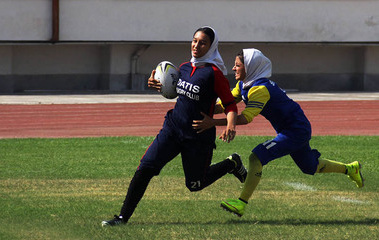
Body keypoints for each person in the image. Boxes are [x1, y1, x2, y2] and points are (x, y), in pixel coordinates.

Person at [101, 26, 247, 226]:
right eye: (194, 40)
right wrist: (158, 85)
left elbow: (230, 105)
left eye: (202, 42)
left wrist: (230, 125)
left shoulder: (215, 74)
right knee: (145, 168)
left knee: (195, 184)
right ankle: (122, 218)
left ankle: (232, 163)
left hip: (197, 136)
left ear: (211, 46)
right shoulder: (185, 67)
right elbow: (178, 91)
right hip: (173, 128)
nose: (196, 45)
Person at [192, 48, 364, 217]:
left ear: (250, 67)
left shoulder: (259, 89)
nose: (233, 69)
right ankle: (350, 169)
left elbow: (245, 118)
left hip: (295, 130)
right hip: (294, 128)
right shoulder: (244, 84)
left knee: (256, 157)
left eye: (237, 65)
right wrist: (196, 107)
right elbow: (225, 104)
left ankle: (241, 203)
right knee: (310, 166)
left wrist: (212, 123)